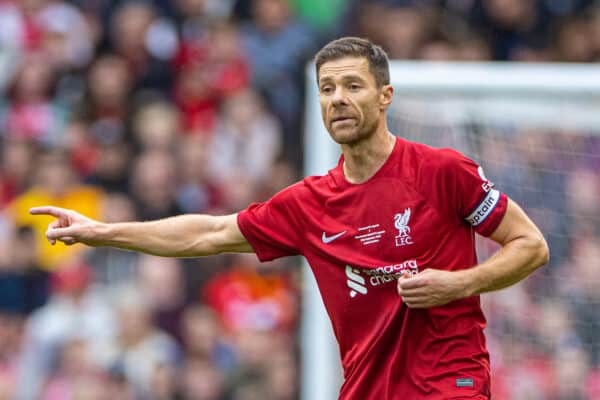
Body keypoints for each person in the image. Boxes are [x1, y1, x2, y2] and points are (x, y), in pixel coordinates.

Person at [30, 37, 549, 399]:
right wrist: (103, 232)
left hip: (449, 383)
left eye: (352, 86)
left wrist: (457, 284)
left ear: (385, 95)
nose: (338, 99)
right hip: (365, 388)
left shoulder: (441, 171)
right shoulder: (308, 203)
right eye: (327, 89)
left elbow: (530, 246)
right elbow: (210, 232)